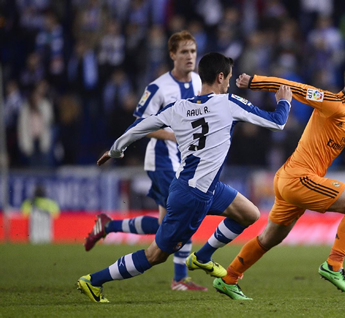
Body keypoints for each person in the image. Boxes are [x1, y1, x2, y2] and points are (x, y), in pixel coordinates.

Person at [76, 52, 292, 303]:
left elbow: (140, 126)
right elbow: (277, 122)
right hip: (193, 197)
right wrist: (284, 101)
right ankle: (94, 281)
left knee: (250, 214)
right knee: (155, 255)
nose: (230, 84)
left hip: (205, 188)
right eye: (229, 78)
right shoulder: (228, 102)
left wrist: (115, 150)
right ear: (220, 77)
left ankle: (202, 257)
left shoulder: (179, 107)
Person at [210, 57, 345, 300]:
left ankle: (229, 278)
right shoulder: (332, 102)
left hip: (289, 178)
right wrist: (255, 82)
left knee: (269, 238)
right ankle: (334, 265)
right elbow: (295, 88)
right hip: (298, 178)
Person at [83, 30, 207, 291]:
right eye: (184, 51)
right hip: (161, 161)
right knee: (183, 215)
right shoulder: (158, 87)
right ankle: (179, 278)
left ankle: (109, 225)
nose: (189, 56)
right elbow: (140, 124)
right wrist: (173, 136)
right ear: (172, 54)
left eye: (193, 51)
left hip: (183, 161)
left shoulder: (198, 82)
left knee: (167, 224)